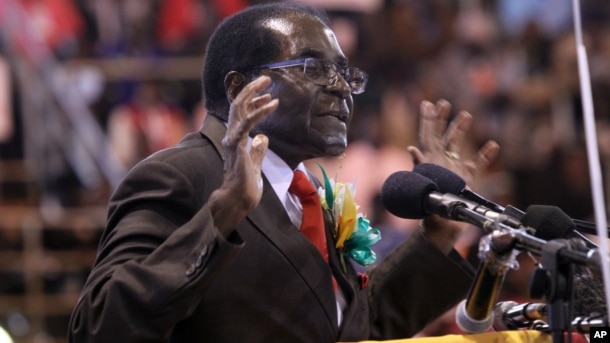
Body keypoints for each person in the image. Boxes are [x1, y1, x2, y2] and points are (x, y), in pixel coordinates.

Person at [68, 3, 499, 342]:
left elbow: (349, 330)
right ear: (239, 89)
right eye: (313, 68)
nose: (339, 86)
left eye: (344, 73)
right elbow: (99, 328)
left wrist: (438, 233)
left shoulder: (307, 191)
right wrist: (222, 214)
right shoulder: (179, 174)